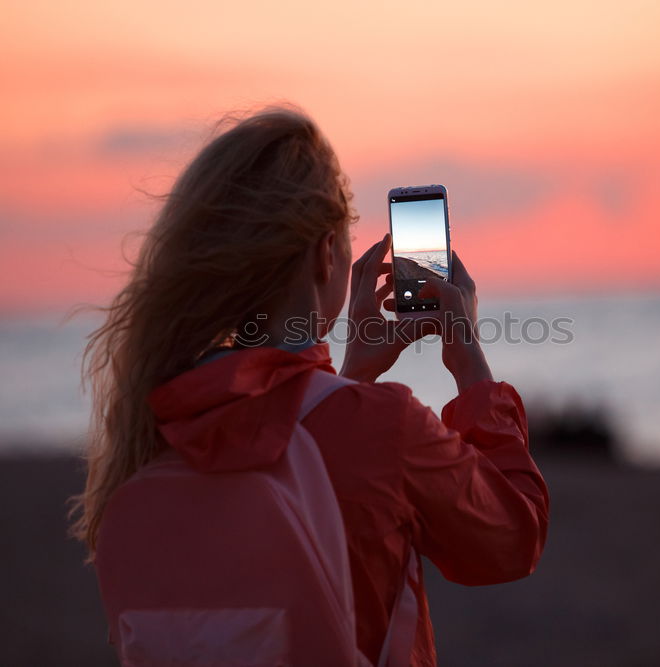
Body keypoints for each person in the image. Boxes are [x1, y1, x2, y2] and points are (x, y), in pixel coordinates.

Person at [69, 106, 549, 666]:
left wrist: (349, 378)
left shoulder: (161, 423)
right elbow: (511, 539)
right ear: (327, 254)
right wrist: (467, 358)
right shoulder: (384, 428)